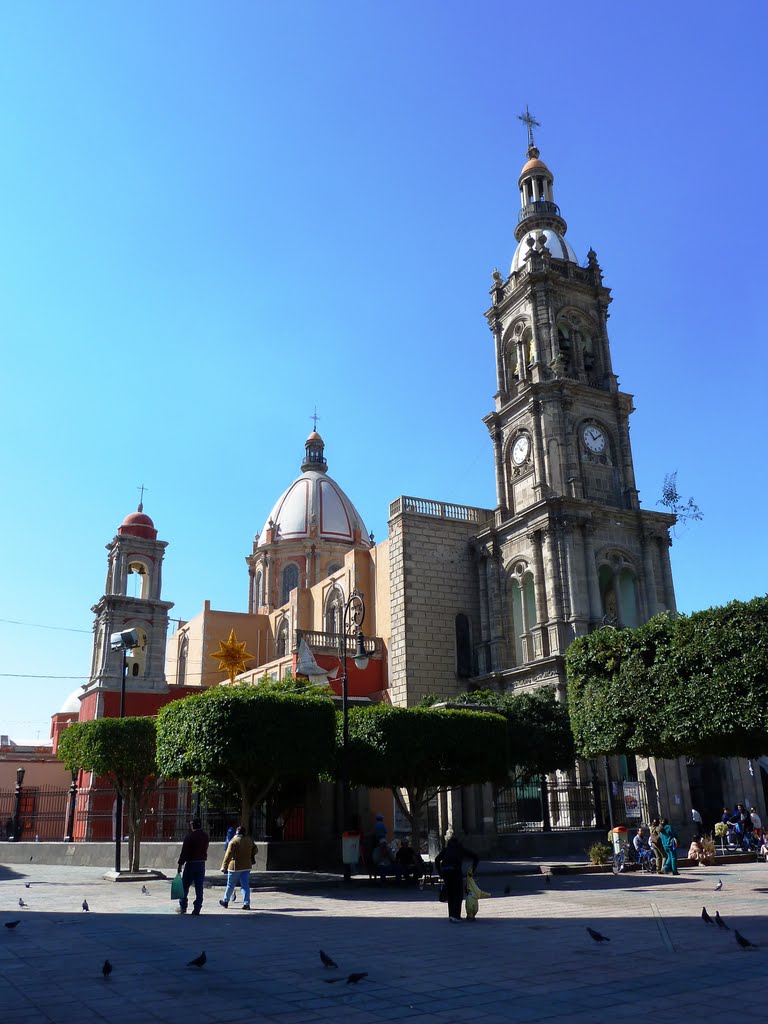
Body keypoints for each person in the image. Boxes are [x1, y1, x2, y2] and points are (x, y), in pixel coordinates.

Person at [435, 834, 479, 923]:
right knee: (458, 894)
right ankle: (456, 915)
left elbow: (437, 859)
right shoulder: (460, 849)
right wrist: (472, 870)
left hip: (446, 872)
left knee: (450, 893)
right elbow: (475, 857)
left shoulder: (447, 849)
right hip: (455, 871)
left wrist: (440, 873)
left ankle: (452, 915)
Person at [219, 825, 257, 910]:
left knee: (230, 884)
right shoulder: (249, 840)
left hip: (235, 867)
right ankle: (246, 903)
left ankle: (225, 901)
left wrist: (224, 866)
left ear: (237, 832)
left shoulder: (233, 841)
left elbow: (228, 855)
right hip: (247, 866)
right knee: (245, 885)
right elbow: (256, 850)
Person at [177, 818, 210, 915]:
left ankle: (183, 906)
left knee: (184, 886)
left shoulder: (190, 836)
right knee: (199, 887)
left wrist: (180, 864)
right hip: (201, 863)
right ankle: (197, 907)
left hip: (191, 863)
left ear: (192, 826)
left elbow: (184, 852)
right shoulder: (205, 836)